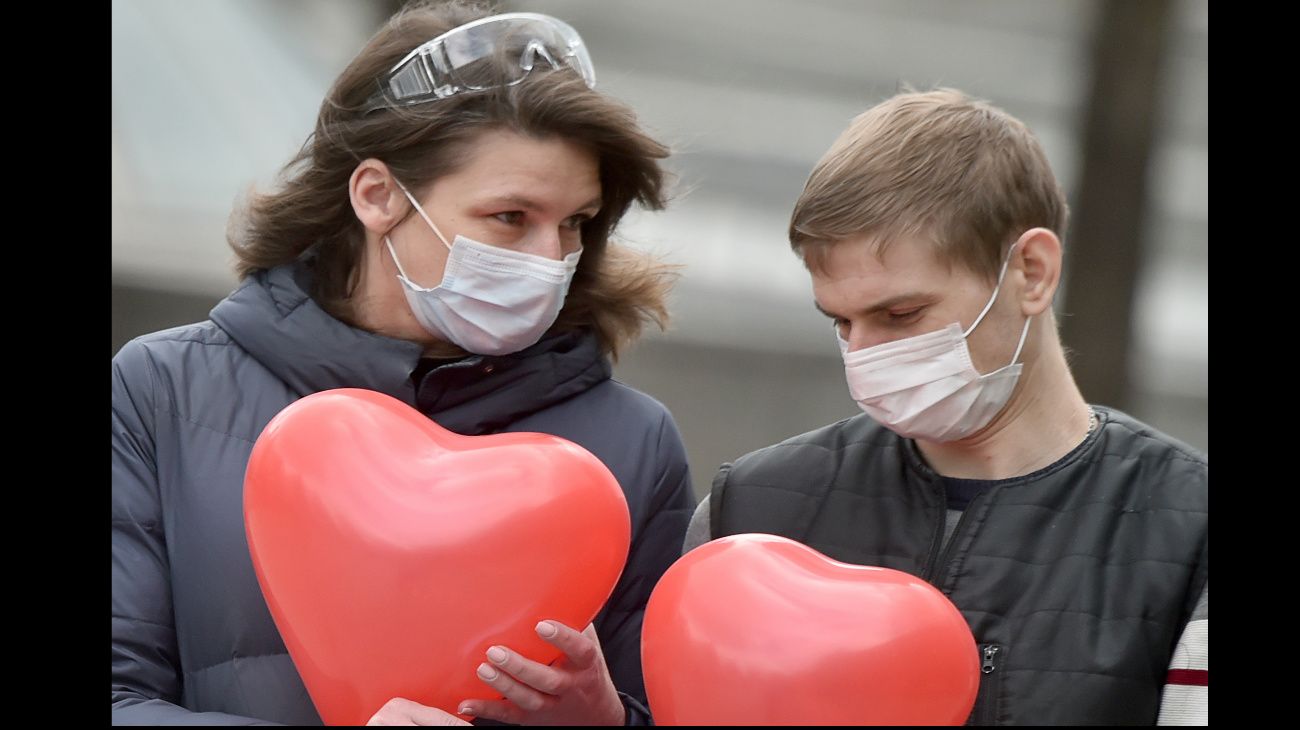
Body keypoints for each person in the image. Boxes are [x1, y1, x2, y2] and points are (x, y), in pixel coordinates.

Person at [112, 2, 695, 725]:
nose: (552, 260)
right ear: (377, 195)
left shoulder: (634, 443)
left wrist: (605, 721)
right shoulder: (163, 391)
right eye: (510, 217)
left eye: (574, 222)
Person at [682, 88, 1207, 725]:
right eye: (841, 322)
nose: (864, 356)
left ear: (1032, 272)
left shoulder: (1185, 527)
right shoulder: (753, 507)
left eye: (901, 314)